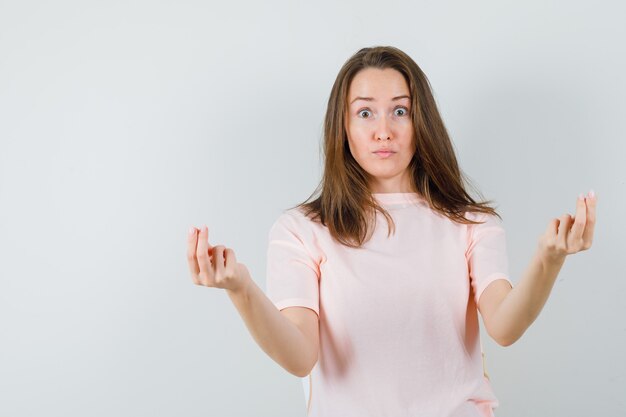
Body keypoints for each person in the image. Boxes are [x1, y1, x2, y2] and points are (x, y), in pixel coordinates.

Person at [186, 46, 597, 417]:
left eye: (400, 111)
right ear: (343, 127)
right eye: (365, 112)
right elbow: (299, 356)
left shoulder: (472, 223)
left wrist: (548, 258)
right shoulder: (301, 230)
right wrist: (241, 289)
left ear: (421, 122)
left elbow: (505, 327)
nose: (384, 130)